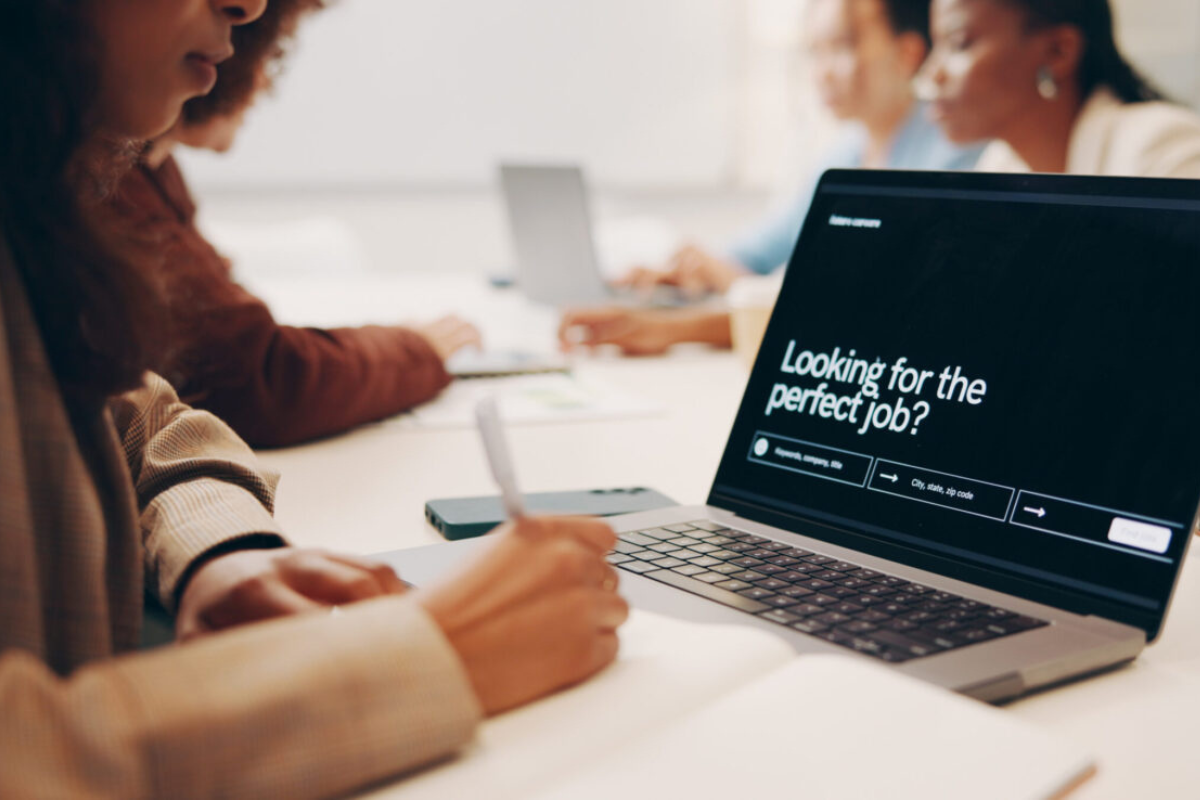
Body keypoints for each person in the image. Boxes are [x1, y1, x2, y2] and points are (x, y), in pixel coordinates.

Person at [0, 2, 626, 797]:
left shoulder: (35, 205)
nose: (252, 7)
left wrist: (222, 555)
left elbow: (143, 418)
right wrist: (438, 651)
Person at [108, 0, 483, 448]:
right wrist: (416, 351)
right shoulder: (105, 179)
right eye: (268, 50)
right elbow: (257, 380)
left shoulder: (150, 169)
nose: (264, 79)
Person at [560, 0, 983, 356]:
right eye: (814, 52)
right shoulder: (844, 154)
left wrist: (672, 327)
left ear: (907, 52)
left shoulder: (957, 151)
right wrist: (690, 275)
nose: (821, 72)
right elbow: (758, 254)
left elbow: (854, 311)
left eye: (840, 46)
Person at [919, 0, 1200, 177]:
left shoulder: (1163, 152)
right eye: (935, 46)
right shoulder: (1000, 164)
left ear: (1058, 51)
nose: (931, 74)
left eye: (959, 44)